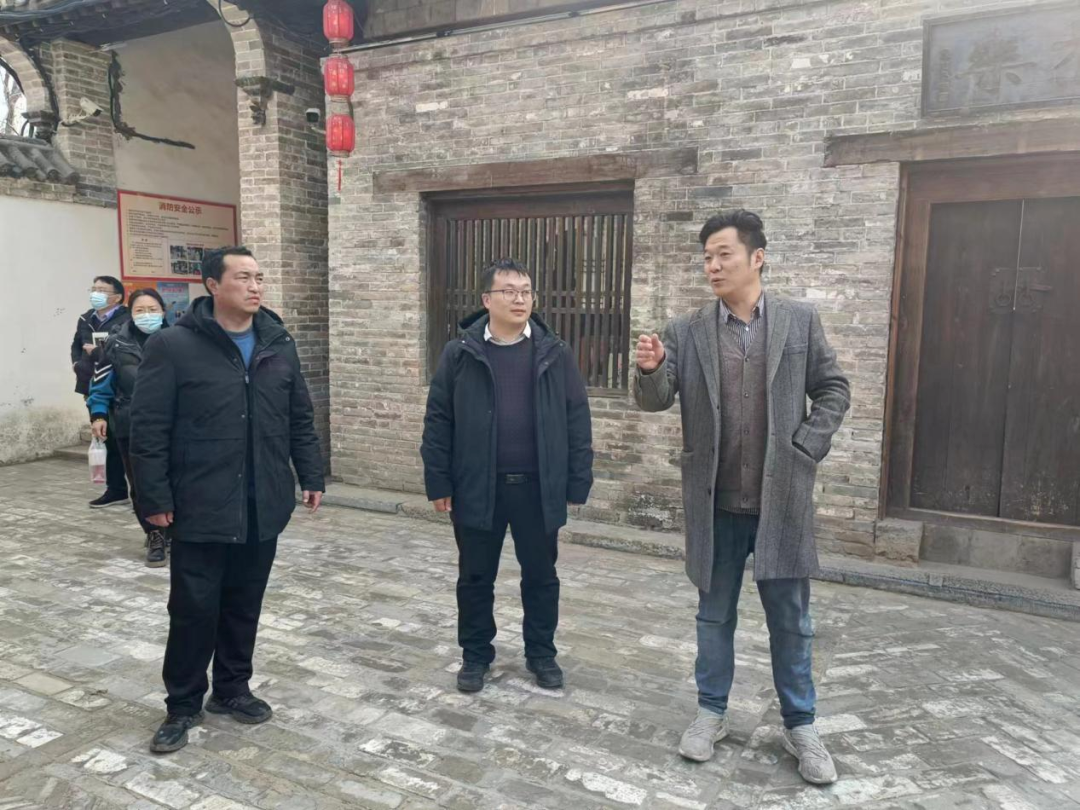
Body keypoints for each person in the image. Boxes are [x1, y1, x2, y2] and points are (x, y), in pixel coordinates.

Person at [633, 211, 850, 784]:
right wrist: (651, 370)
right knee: (713, 617)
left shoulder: (799, 322)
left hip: (781, 502)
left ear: (757, 257)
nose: (712, 266)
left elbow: (833, 388)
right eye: (707, 257)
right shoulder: (686, 330)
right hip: (716, 504)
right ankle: (711, 712)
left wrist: (806, 446)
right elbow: (655, 399)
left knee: (792, 622)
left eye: (723, 254)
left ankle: (801, 724)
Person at [130, 246, 325, 754]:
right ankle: (182, 704)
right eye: (243, 277)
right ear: (213, 285)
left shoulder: (278, 343)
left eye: (259, 277)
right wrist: (153, 497)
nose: (255, 286)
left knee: (244, 603)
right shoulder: (174, 345)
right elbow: (147, 429)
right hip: (199, 502)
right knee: (193, 609)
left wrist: (311, 473)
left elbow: (299, 416)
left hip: (263, 501)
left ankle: (232, 689)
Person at [421, 258, 593, 694]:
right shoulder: (460, 353)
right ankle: (476, 655)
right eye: (509, 291)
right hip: (478, 487)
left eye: (526, 291)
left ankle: (542, 654)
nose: (520, 299)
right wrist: (438, 481)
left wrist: (578, 480)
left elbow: (577, 417)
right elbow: (438, 419)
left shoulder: (555, 352)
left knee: (542, 577)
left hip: (537, 488)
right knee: (475, 578)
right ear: (486, 299)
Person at [87, 288, 171, 567]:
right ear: (130, 314)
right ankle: (155, 534)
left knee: (177, 480)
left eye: (152, 309)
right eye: (140, 310)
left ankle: (175, 530)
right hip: (131, 423)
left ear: (163, 311)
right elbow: (100, 382)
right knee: (141, 482)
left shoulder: (181, 341)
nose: (147, 315)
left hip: (175, 424)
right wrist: (99, 414)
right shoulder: (116, 344)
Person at [72, 275, 131, 509]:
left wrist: (99, 353)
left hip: (119, 386)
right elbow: (76, 344)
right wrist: (77, 364)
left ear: (117, 297)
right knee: (105, 438)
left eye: (102, 290)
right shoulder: (86, 318)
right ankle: (116, 490)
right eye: (94, 289)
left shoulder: (127, 319)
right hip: (92, 385)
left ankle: (141, 492)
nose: (95, 293)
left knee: (126, 440)